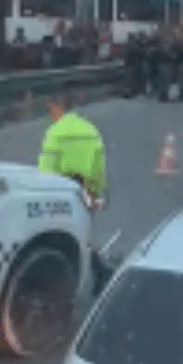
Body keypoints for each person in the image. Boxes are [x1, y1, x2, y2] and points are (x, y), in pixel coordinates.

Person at [37, 93, 113, 296]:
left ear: (57, 107)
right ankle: (100, 273)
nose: (50, 113)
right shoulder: (90, 130)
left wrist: (43, 195)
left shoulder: (54, 132)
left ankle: (61, 283)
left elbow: (45, 169)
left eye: (50, 108)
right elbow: (98, 166)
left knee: (58, 236)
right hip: (86, 189)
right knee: (82, 235)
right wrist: (96, 192)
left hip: (62, 191)